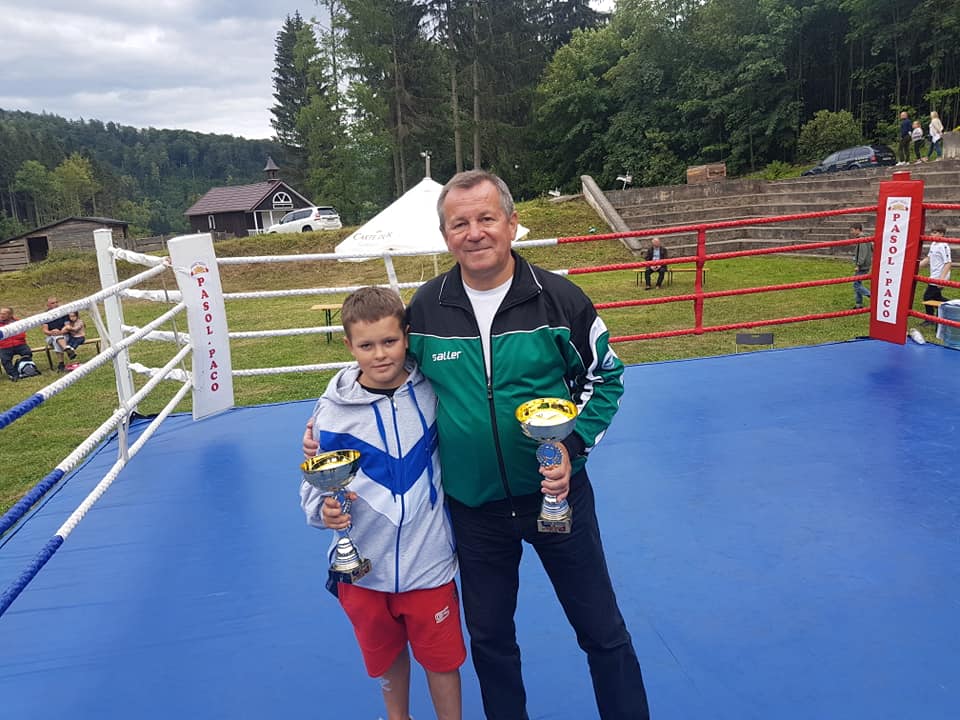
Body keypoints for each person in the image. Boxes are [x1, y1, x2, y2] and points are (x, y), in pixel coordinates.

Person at [405, 170, 649, 719]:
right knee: (491, 643)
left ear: (512, 224)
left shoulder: (559, 299)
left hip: (558, 498)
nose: (474, 233)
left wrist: (574, 444)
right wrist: (333, 421)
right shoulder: (425, 308)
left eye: (486, 218)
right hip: (475, 510)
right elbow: (389, 380)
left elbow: (605, 376)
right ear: (445, 235)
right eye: (459, 223)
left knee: (603, 632)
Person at [300, 285, 465, 720]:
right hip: (364, 572)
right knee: (385, 658)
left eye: (389, 341)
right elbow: (314, 488)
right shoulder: (332, 413)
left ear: (406, 336)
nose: (380, 354)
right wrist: (324, 511)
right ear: (349, 346)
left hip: (429, 564)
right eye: (366, 345)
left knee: (443, 661)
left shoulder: (433, 390)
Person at [918, 226, 952, 324]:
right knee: (937, 297)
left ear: (942, 234)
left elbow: (948, 263)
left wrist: (942, 279)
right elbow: (928, 258)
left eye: (935, 232)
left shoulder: (943, 246)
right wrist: (916, 267)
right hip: (934, 274)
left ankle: (930, 319)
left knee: (927, 297)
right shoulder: (933, 244)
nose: (932, 234)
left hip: (940, 275)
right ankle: (953, 307)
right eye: (932, 232)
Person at [0, 306, 36, 382]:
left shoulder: (17, 322)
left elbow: (22, 334)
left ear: (10, 315)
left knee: (27, 353)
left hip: (19, 344)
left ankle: (24, 368)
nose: (1, 315)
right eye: (0, 314)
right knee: (5, 359)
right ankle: (13, 374)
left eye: (4, 314)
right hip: (4, 346)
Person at [41, 296, 76, 371]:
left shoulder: (63, 313)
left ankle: (61, 364)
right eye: (53, 303)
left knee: (56, 339)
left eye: (57, 302)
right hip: (50, 337)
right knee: (55, 338)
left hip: (64, 335)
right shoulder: (45, 315)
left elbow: (67, 327)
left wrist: (60, 332)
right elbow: (45, 330)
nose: (56, 304)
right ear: (48, 305)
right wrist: (52, 332)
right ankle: (67, 349)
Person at [850, 224, 872, 309]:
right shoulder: (866, 238)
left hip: (862, 265)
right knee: (858, 283)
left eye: (852, 230)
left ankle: (872, 296)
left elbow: (863, 253)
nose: (851, 232)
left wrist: (859, 264)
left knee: (856, 285)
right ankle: (858, 304)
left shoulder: (862, 239)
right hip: (865, 264)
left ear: (858, 229)